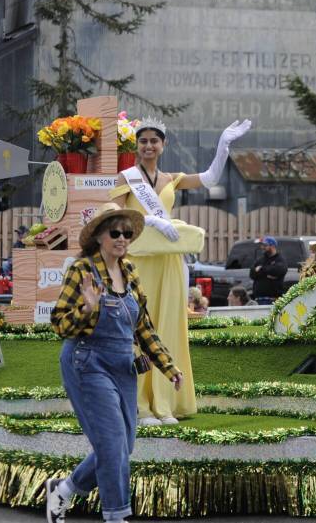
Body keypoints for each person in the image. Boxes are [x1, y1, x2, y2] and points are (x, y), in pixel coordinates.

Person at [110, 115, 251, 425]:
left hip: (169, 261)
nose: (149, 146)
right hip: (139, 260)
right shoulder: (126, 177)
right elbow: (113, 212)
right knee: (138, 326)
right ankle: (141, 404)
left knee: (167, 325)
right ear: (137, 145)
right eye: (143, 141)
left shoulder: (171, 178)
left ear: (163, 145)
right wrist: (149, 219)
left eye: (154, 141)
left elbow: (211, 178)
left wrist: (223, 145)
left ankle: (165, 400)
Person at [46, 203, 181, 523]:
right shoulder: (81, 270)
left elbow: (143, 327)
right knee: (111, 442)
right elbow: (59, 325)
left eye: (127, 233)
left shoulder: (131, 271)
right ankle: (116, 516)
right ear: (98, 236)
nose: (122, 238)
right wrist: (87, 308)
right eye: (115, 232)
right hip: (87, 361)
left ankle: (64, 489)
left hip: (123, 365)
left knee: (124, 445)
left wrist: (169, 367)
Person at [249, 236, 287, 302]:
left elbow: (279, 270)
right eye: (262, 245)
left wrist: (261, 269)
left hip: (273, 299)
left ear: (272, 246)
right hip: (258, 299)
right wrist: (267, 274)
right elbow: (252, 273)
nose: (262, 247)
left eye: (265, 245)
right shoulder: (260, 260)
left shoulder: (279, 259)